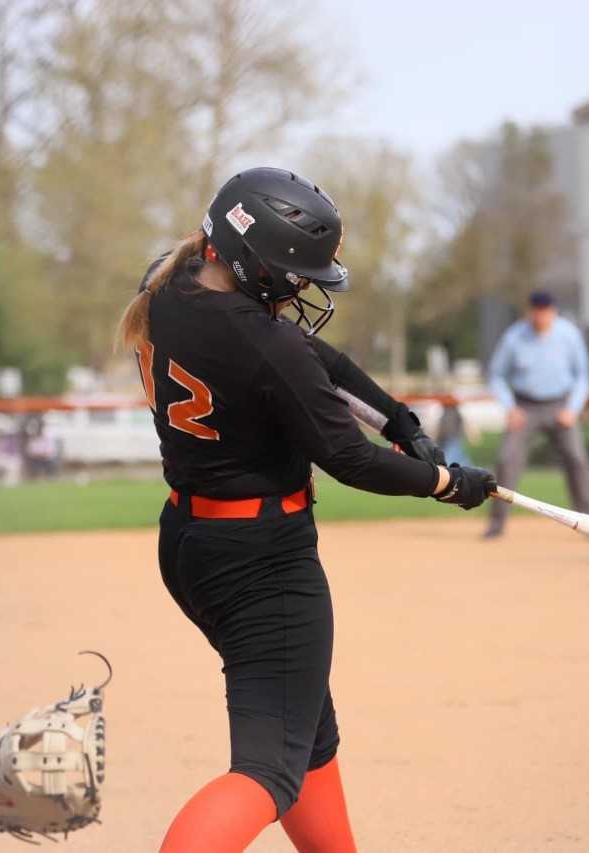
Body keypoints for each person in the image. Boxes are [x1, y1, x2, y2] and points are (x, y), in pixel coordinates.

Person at [119, 167, 495, 853]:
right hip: (262, 563)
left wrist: (399, 417)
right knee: (267, 769)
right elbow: (350, 459)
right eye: (293, 275)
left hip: (192, 543)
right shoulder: (266, 344)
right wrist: (443, 480)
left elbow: (314, 357)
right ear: (251, 264)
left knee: (303, 731)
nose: (302, 289)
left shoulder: (171, 288)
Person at [484, 290, 589, 538]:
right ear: (529, 311)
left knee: (577, 459)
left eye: (546, 311)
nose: (541, 316)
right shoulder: (515, 336)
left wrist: (573, 409)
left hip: (561, 405)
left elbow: (582, 376)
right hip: (525, 407)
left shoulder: (568, 334)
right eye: (536, 310)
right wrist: (510, 407)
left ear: (553, 312)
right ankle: (496, 524)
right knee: (506, 460)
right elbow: (497, 375)